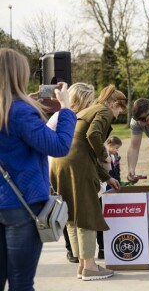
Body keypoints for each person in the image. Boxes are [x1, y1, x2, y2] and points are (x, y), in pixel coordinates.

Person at [0, 48, 76, 291]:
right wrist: (66, 109)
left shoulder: (15, 109)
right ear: (17, 75)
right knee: (21, 282)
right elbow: (59, 146)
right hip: (23, 206)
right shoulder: (20, 112)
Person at [50, 85, 127, 281]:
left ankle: (83, 265)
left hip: (61, 161)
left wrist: (107, 178)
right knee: (87, 212)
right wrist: (106, 157)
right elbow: (93, 136)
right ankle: (91, 267)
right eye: (119, 110)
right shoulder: (103, 110)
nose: (117, 116)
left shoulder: (86, 110)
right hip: (77, 164)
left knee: (72, 214)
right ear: (114, 104)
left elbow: (85, 147)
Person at [46, 82, 96, 264]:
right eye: (89, 100)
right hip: (72, 170)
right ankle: (88, 265)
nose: (92, 104)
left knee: (72, 218)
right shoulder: (72, 118)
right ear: (80, 100)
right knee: (84, 216)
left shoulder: (57, 117)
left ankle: (82, 261)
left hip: (56, 171)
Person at [96, 135, 123, 259]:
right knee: (101, 220)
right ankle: (102, 248)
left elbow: (116, 173)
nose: (116, 150)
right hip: (101, 191)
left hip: (111, 190)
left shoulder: (115, 157)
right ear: (109, 144)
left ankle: (110, 245)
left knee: (110, 220)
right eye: (116, 148)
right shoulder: (103, 155)